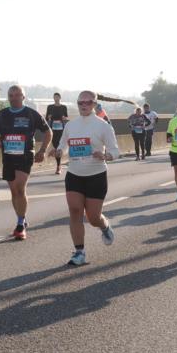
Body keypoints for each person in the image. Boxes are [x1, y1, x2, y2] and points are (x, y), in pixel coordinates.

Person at [49, 90, 119, 266]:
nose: (84, 105)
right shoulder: (71, 125)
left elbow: (115, 151)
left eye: (88, 102)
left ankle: (104, 226)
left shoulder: (103, 126)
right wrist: (58, 151)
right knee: (74, 211)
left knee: (93, 218)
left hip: (96, 175)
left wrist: (106, 156)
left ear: (95, 104)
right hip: (74, 174)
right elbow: (63, 146)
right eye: (81, 102)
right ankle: (79, 252)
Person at [0, 85, 51, 240]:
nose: (14, 97)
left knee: (20, 188)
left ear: (23, 97)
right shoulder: (3, 114)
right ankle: (21, 217)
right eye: (11, 95)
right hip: (8, 157)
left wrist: (42, 150)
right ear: (8, 97)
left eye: (18, 95)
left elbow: (48, 132)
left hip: (25, 156)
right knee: (14, 191)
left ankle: (20, 224)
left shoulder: (31, 113)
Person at [45, 92, 69, 175]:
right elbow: (47, 118)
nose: (56, 98)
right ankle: (58, 163)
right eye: (55, 97)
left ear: (60, 98)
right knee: (56, 146)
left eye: (57, 97)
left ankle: (58, 166)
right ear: (53, 98)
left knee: (59, 146)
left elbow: (66, 117)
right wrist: (49, 117)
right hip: (53, 130)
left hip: (61, 130)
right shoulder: (50, 107)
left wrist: (64, 118)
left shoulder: (64, 107)